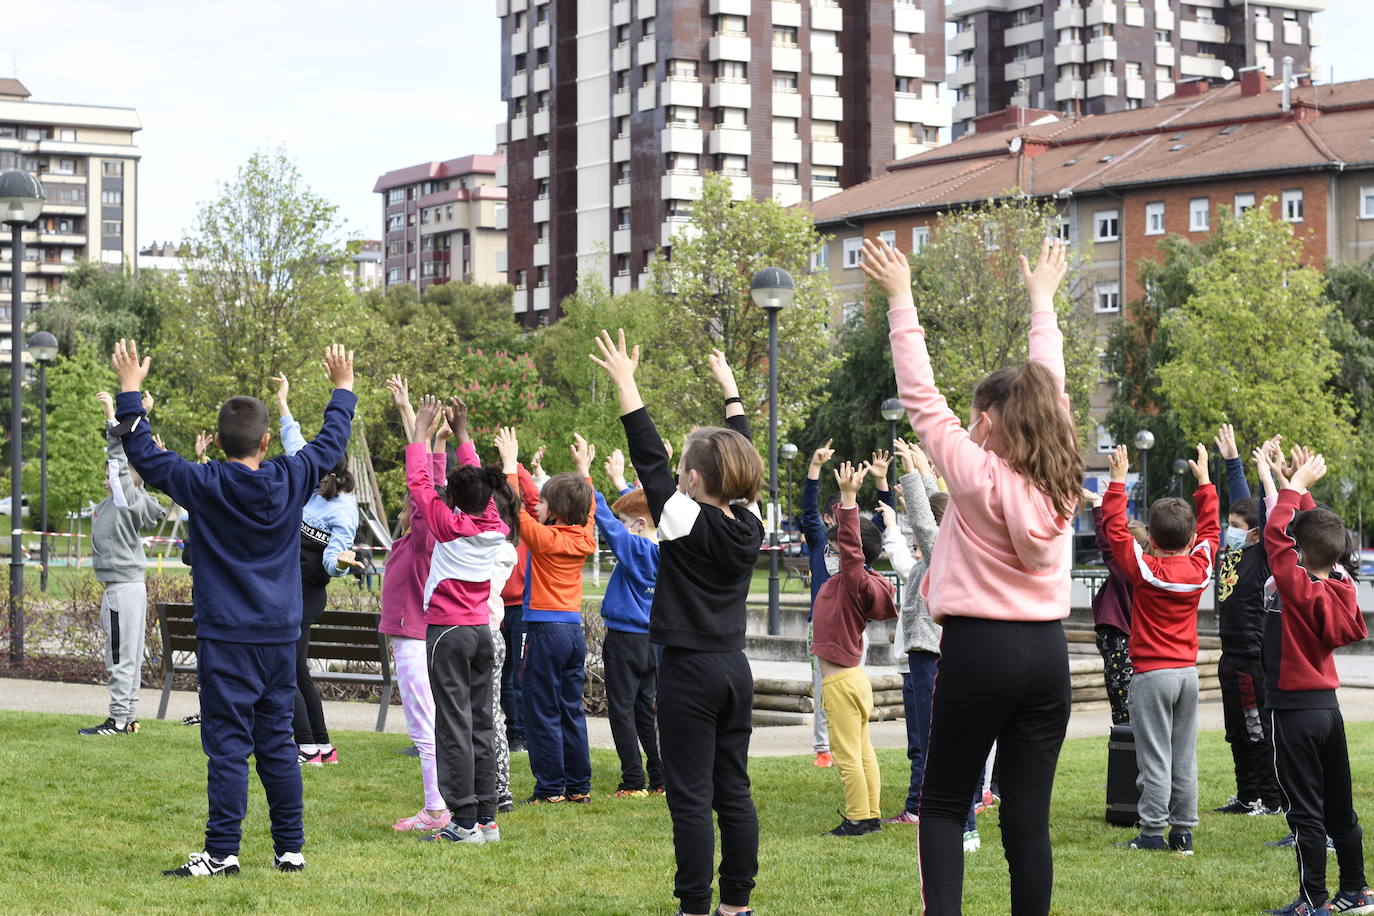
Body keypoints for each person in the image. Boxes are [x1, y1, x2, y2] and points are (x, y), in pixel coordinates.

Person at [862, 236, 1081, 915]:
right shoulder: (1064, 472)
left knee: (944, 802)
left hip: (979, 650)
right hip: (1047, 655)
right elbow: (1051, 379)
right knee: (1027, 819)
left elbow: (920, 396)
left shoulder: (976, 472)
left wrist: (902, 299)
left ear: (987, 422)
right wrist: (1042, 299)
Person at [111, 339, 355, 877]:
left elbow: (146, 456)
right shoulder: (292, 477)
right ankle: (290, 848)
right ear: (267, 441)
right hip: (279, 639)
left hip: (227, 639)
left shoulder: (203, 483)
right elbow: (331, 440)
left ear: (218, 441)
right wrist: (342, 387)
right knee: (276, 744)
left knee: (227, 748)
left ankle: (222, 853)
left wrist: (131, 390)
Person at [592, 331, 763, 916]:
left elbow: (648, 457)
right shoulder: (751, 523)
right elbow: (738, 456)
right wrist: (731, 395)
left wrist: (625, 383)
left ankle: (694, 906)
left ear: (691, 481)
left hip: (689, 672)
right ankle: (736, 905)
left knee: (691, 798)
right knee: (733, 790)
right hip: (735, 669)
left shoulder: (684, 522)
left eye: (684, 469)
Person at [1259, 450, 1373, 916]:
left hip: (1294, 710)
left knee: (1304, 811)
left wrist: (1291, 488)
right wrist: (1299, 487)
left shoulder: (1297, 586)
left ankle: (1313, 902)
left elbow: (1274, 535)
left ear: (1300, 554)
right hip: (1327, 709)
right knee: (1340, 808)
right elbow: (1322, 536)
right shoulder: (1342, 584)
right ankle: (1356, 891)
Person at [1102, 442, 1217, 855]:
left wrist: (1118, 481)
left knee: (1154, 758)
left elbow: (1116, 533)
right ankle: (1183, 833)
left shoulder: (1145, 569)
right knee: (1183, 756)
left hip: (1152, 675)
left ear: (1151, 538)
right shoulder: (1200, 568)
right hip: (1187, 674)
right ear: (1190, 538)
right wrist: (1204, 483)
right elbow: (1212, 531)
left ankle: (1152, 833)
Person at [406, 395, 511, 845]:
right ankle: (486, 818)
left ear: (454, 499)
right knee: (482, 722)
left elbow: (418, 481)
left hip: (447, 633)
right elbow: (479, 486)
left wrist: (420, 432)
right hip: (482, 633)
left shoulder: (447, 524)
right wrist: (462, 434)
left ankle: (463, 822)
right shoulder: (494, 525)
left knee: (452, 726)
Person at [494, 427, 596, 806]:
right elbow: (589, 510)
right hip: (573, 632)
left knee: (540, 710)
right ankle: (578, 786)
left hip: (544, 630)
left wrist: (509, 465)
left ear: (553, 510)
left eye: (543, 502)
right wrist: (584, 470)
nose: (536, 505)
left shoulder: (544, 538)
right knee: (571, 708)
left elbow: (512, 507)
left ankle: (551, 788)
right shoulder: (585, 536)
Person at [274, 374, 364, 766]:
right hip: (288, 589)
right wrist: (282, 403)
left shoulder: (343, 508)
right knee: (298, 670)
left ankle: (307, 746)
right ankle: (322, 747)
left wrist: (341, 563)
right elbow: (294, 442)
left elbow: (330, 560)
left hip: (307, 594)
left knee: (287, 670)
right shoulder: (306, 477)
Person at [377, 376, 450, 832]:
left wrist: (424, 439)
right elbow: (431, 482)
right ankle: (442, 804)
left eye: (408, 499)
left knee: (425, 728)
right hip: (413, 638)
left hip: (414, 640)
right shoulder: (410, 538)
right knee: (428, 726)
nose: (406, 500)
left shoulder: (424, 536)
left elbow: (430, 486)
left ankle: (436, 809)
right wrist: (411, 416)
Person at [812, 459, 897, 836]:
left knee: (848, 756)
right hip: (853, 680)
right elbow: (850, 546)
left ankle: (858, 818)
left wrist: (849, 498)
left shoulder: (853, 581)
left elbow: (851, 549)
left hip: (841, 684)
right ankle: (871, 815)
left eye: (836, 549)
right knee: (862, 753)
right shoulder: (854, 583)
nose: (831, 554)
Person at [77, 391, 167, 737]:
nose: (108, 477)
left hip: (122, 588)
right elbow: (129, 467)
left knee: (119, 656)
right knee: (127, 654)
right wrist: (142, 419)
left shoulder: (126, 497)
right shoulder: (126, 501)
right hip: (128, 586)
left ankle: (116, 720)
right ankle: (127, 718)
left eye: (112, 475)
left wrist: (113, 417)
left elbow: (120, 463)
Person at [1206, 423, 1283, 817]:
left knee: (1257, 730)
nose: (1228, 531)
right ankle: (1246, 794)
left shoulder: (1262, 552)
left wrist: (1264, 470)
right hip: (1229, 657)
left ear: (1254, 532)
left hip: (1253, 660)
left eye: (1235, 527)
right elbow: (1241, 502)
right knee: (1236, 730)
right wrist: (1232, 460)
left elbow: (1264, 511)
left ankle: (1269, 799)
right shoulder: (1235, 552)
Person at [880, 438, 948, 828]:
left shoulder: (942, 552)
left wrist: (915, 472)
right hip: (930, 653)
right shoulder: (950, 547)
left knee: (926, 735)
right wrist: (926, 475)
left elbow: (930, 522)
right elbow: (941, 513)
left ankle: (919, 807)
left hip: (928, 655)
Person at [596, 448, 664, 797]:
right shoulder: (665, 548)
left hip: (624, 641)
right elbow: (640, 513)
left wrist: (586, 480)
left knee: (621, 711)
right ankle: (659, 778)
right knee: (646, 712)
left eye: (629, 526)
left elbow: (609, 522)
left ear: (637, 527)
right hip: (651, 643)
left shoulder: (636, 550)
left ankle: (632, 780)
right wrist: (626, 484)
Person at [1081, 484, 1146, 726]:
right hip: (1123, 641)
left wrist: (1099, 505)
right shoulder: (1142, 568)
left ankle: (1127, 752)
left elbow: (1106, 542)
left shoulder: (1126, 570)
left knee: (1124, 709)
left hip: (1120, 641)